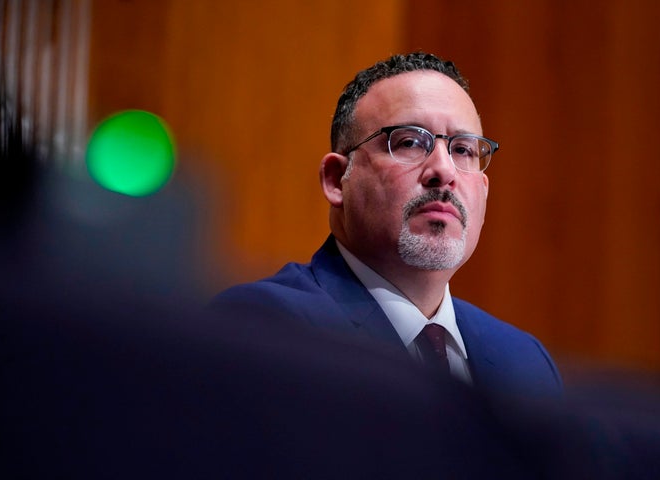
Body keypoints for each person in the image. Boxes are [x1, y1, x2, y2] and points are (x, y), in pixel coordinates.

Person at [212, 52, 562, 405]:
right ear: (337, 180)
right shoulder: (266, 329)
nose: (444, 170)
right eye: (410, 141)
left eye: (462, 149)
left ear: (483, 193)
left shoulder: (526, 363)